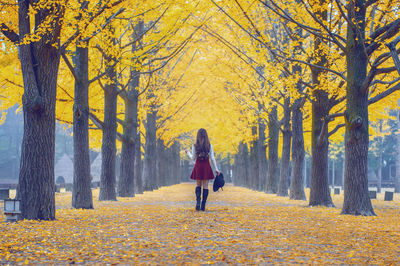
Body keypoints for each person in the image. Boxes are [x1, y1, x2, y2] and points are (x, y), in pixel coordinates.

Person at [185, 128, 220, 211]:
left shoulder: (195, 145)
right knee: (205, 186)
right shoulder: (209, 145)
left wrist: (188, 153)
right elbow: (212, 158)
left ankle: (198, 202)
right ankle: (203, 205)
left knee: (198, 185)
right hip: (206, 166)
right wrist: (216, 169)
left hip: (198, 165)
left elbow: (193, 158)